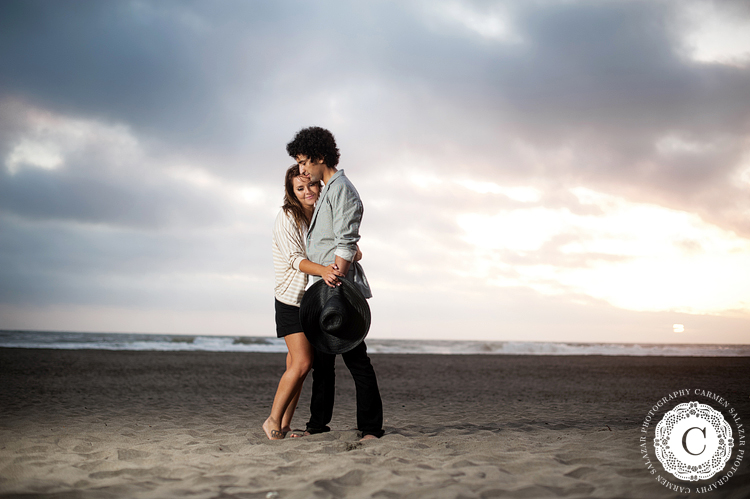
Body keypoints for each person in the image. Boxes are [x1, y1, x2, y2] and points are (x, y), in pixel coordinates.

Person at [286, 126, 385, 440]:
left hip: (336, 288)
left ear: (318, 157)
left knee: (357, 360)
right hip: (325, 289)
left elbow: (345, 239)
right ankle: (317, 426)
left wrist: (337, 279)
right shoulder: (329, 188)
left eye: (304, 162)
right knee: (323, 362)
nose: (302, 170)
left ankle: (370, 428)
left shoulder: (340, 187)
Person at [264, 164, 353, 440]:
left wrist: (349, 252)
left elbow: (340, 243)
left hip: (312, 302)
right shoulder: (287, 217)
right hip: (291, 300)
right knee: (302, 363)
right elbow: (295, 260)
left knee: (298, 366)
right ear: (291, 192)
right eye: (299, 189)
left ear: (318, 184)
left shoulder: (320, 214)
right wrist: (325, 269)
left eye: (310, 185)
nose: (307, 192)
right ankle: (272, 420)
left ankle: (286, 423)